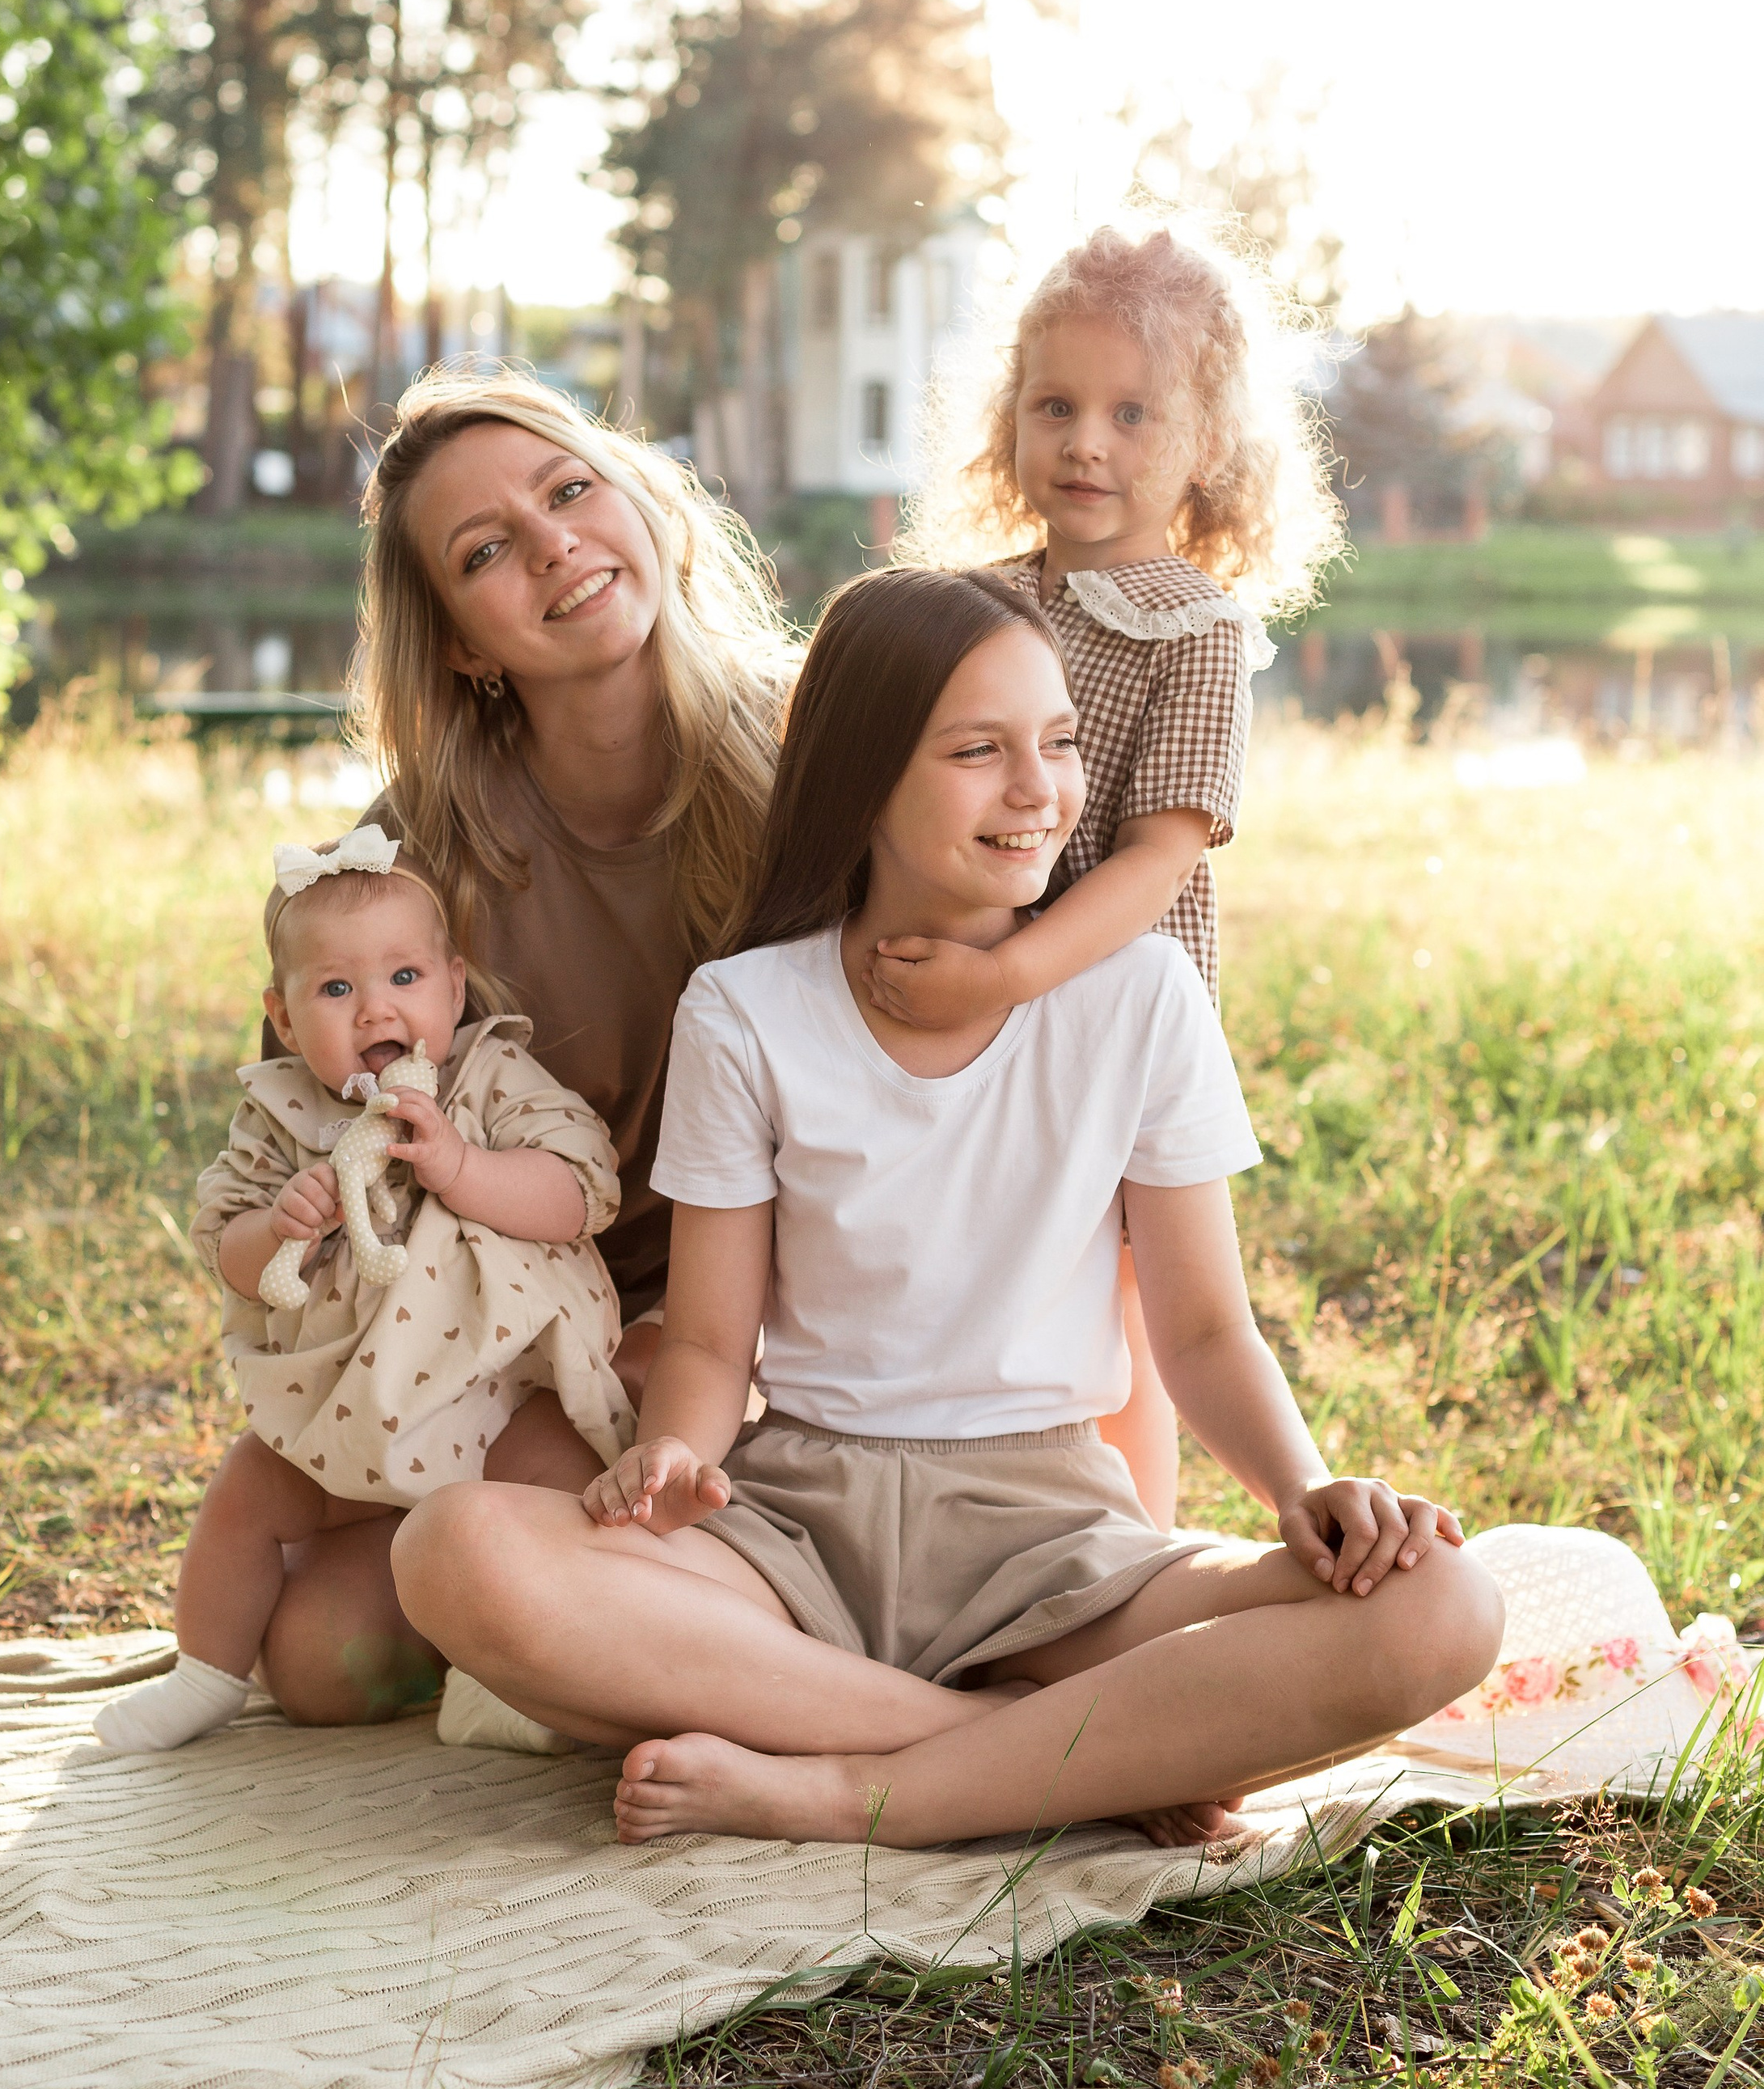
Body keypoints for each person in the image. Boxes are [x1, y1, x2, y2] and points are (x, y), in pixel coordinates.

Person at [391, 566, 1503, 1850]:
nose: (1039, 790)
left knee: (1440, 1609)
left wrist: (1306, 1489)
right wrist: (678, 1456)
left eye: (1060, 742)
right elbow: (707, 1343)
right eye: (980, 751)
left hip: (1056, 1551)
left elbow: (1203, 1335)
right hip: (794, 1533)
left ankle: (849, 1785)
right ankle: (1026, 1752)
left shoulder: (1138, 998)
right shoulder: (749, 1011)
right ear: (862, 776)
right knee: (456, 1552)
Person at [256, 368, 792, 1725]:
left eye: (569, 491)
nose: (555, 545)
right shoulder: (416, 854)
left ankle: (706, 1649)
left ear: (642, 506)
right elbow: (322, 1124)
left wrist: (691, 1337)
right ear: (462, 646)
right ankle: (547, 1588)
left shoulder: (816, 758)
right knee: (323, 1664)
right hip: (512, 1329)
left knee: (579, 1625)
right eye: (487, 551)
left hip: (777, 1320)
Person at [881, 224, 1343, 1526]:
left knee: (1133, 1292)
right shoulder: (971, 602)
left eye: (1133, 413)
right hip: (976, 1000)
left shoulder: (1197, 630)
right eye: (1056, 406)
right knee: (1009, 1265)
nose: (1087, 441)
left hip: (1109, 1004)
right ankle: (982, 1518)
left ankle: (1129, 1547)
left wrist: (1012, 970)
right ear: (1009, 423)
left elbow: (1160, 854)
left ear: (1207, 444)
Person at [94, 833, 629, 1753]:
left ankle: (507, 1677)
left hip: (498, 1391)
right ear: (287, 1018)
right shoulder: (282, 1113)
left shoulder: (488, 1078)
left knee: (564, 1492)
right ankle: (205, 1671)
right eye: (336, 989)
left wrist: (461, 1167)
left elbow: (582, 1192)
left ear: (454, 989)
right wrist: (282, 1224)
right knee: (245, 1493)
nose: (376, 1006)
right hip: (345, 1410)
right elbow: (224, 1240)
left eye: (405, 977)